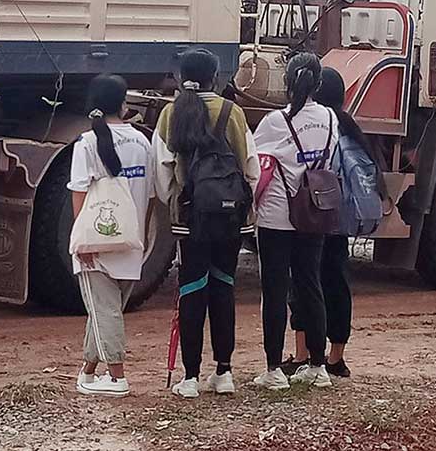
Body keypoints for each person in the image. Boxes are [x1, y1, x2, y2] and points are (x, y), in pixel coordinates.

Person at [153, 49, 260, 399]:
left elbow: (163, 172)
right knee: (223, 285)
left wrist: (176, 203)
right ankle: (224, 373)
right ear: (216, 77)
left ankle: (190, 378)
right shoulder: (233, 112)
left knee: (192, 290)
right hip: (229, 217)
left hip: (190, 219)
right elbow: (251, 168)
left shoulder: (171, 113)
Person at [284, 68, 386, 379]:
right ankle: (336, 357)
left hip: (314, 218)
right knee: (337, 283)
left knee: (304, 282)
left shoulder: (316, 126)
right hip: (340, 222)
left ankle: (302, 354)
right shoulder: (352, 132)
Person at [253, 53, 339, 391]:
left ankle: (274, 370)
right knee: (310, 283)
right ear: (318, 83)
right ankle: (317, 366)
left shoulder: (276, 121)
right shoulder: (330, 118)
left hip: (277, 214)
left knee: (274, 290)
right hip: (314, 210)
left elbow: (254, 157)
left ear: (288, 83)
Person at [69, 74, 155, 398]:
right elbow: (149, 195)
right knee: (106, 309)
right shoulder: (141, 142)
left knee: (104, 309)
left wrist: (81, 240)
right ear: (124, 104)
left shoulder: (86, 143)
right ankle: (89, 371)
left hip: (97, 244)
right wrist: (142, 234)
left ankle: (117, 377)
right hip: (132, 241)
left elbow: (78, 193)